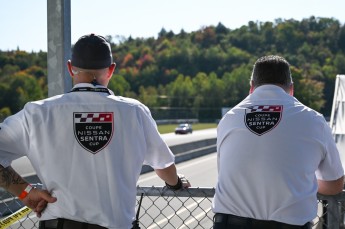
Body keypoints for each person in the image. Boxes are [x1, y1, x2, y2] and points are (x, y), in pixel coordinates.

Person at [0, 33, 190, 229]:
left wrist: (24, 192)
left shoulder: (37, 113)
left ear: (70, 68)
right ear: (111, 70)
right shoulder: (135, 112)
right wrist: (175, 183)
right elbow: (164, 165)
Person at [212, 55, 344, 229]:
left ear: (251, 87)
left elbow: (226, 173)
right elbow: (335, 184)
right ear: (291, 89)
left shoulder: (228, 119)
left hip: (230, 224)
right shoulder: (314, 120)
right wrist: (302, 184)